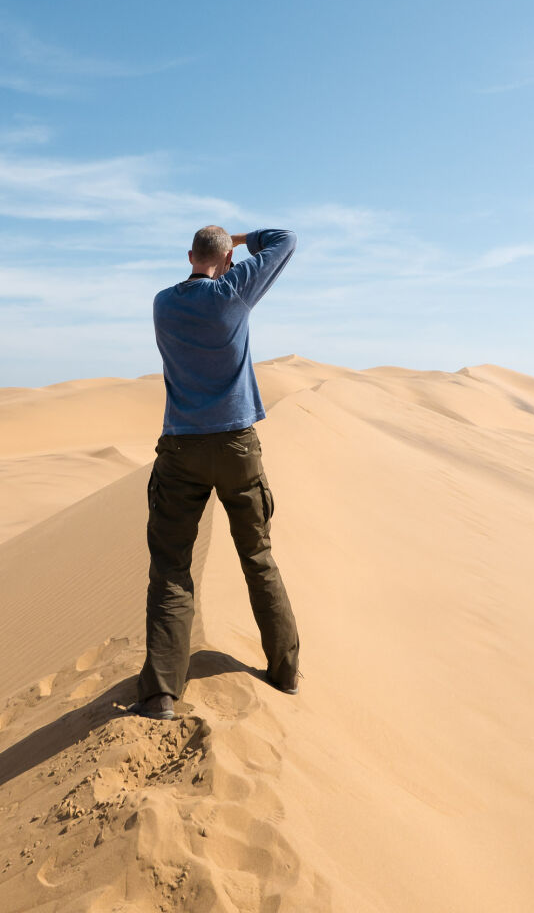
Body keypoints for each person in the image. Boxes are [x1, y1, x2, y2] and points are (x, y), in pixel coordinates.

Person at [128, 226, 301, 720]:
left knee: (170, 569)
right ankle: (285, 672)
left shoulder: (163, 303)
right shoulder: (233, 292)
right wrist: (240, 239)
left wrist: (221, 249)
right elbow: (285, 240)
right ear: (226, 260)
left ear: (189, 255)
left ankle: (162, 693)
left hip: (181, 448)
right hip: (235, 446)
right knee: (257, 557)